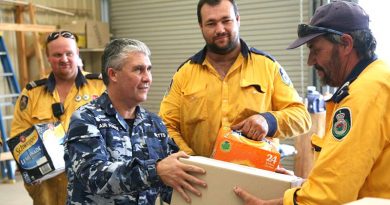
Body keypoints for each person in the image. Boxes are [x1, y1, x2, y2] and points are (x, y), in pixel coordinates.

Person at [234, 1, 390, 204]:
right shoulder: (377, 79)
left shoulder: (364, 94)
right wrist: (302, 185)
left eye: (316, 50)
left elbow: (330, 197)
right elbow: (350, 175)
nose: (310, 61)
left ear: (346, 44)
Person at [159, 0, 311, 157]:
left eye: (226, 21)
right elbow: (165, 126)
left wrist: (268, 121)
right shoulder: (184, 74)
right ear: (201, 26)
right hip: (200, 177)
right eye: (211, 23)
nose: (220, 29)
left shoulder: (267, 67)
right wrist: (191, 160)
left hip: (256, 175)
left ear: (238, 20)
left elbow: (301, 117)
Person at [64, 38, 207, 205]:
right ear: (113, 74)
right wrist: (157, 171)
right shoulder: (86, 119)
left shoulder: (154, 124)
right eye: (138, 70)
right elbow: (94, 177)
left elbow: (171, 182)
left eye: (149, 69)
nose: (147, 78)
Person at [10, 31, 106, 205]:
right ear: (48, 57)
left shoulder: (100, 87)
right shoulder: (32, 93)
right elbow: (19, 134)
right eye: (57, 55)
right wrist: (27, 164)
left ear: (77, 53)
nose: (64, 59)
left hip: (91, 187)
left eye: (69, 53)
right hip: (49, 189)